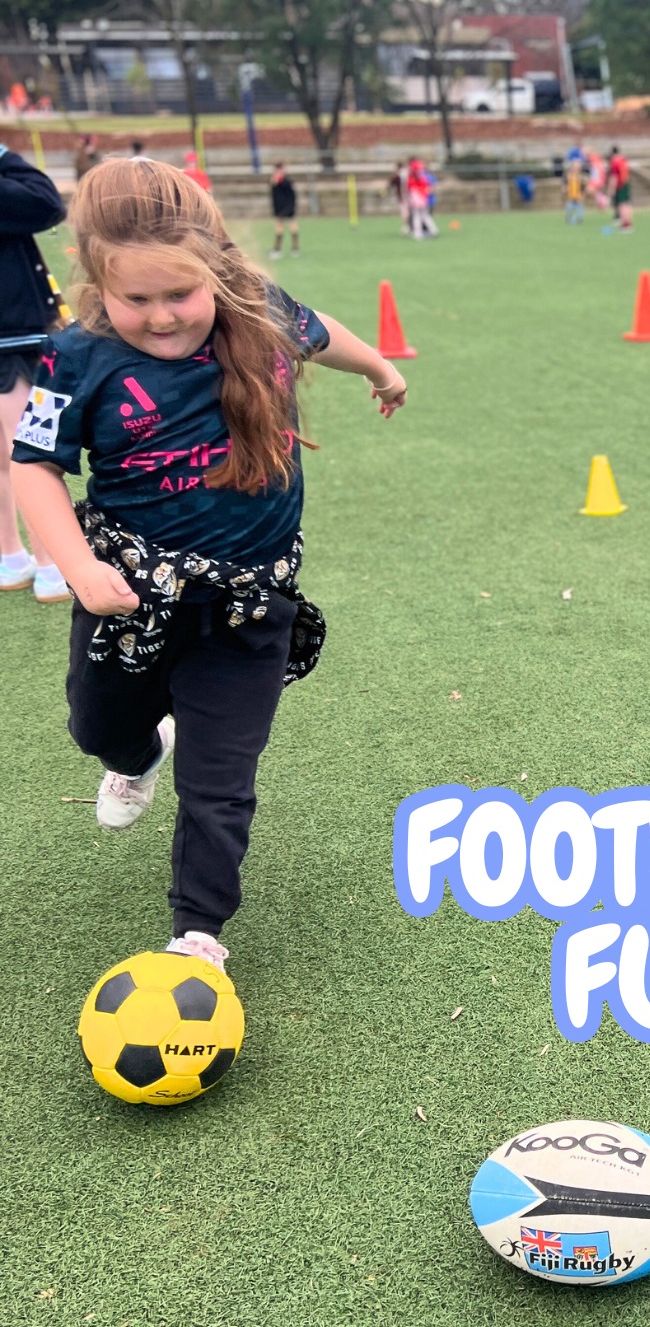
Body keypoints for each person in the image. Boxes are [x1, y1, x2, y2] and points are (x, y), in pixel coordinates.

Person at [10, 157, 408, 972]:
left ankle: (198, 935)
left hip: (247, 604)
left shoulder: (258, 311)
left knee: (219, 778)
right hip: (127, 596)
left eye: (179, 296)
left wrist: (379, 367)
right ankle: (135, 756)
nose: (162, 318)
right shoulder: (73, 359)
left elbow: (323, 332)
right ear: (96, 283)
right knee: (98, 726)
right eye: (137, 300)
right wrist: (78, 568)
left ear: (216, 269)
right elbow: (32, 466)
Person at [0, 143, 71, 602]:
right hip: (13, 331)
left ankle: (11, 558)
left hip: (16, 330)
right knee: (30, 448)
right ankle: (49, 565)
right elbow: (46, 202)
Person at [269, 162, 299, 259]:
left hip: (287, 207)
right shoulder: (276, 180)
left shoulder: (286, 182)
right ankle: (278, 249)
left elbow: (291, 195)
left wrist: (290, 207)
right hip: (280, 207)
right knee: (280, 227)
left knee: (291, 226)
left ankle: (294, 249)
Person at [407, 158, 438, 239]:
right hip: (420, 198)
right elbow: (425, 188)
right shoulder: (419, 178)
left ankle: (419, 232)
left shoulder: (413, 178)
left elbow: (411, 189)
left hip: (417, 198)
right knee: (423, 215)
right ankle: (432, 230)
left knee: (418, 216)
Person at [606, 146, 632, 232]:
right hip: (626, 184)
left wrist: (611, 190)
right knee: (627, 204)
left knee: (621, 205)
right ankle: (628, 222)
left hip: (620, 185)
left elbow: (614, 177)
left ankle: (625, 225)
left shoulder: (615, 163)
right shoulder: (624, 160)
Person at [563, 156, 585, 224]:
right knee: (569, 210)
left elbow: (583, 187)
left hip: (579, 197)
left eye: (578, 166)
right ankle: (570, 220)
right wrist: (564, 188)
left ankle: (578, 220)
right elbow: (564, 184)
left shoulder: (581, 176)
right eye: (575, 166)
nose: (576, 167)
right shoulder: (568, 175)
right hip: (570, 196)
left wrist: (583, 193)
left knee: (580, 213)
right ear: (572, 166)